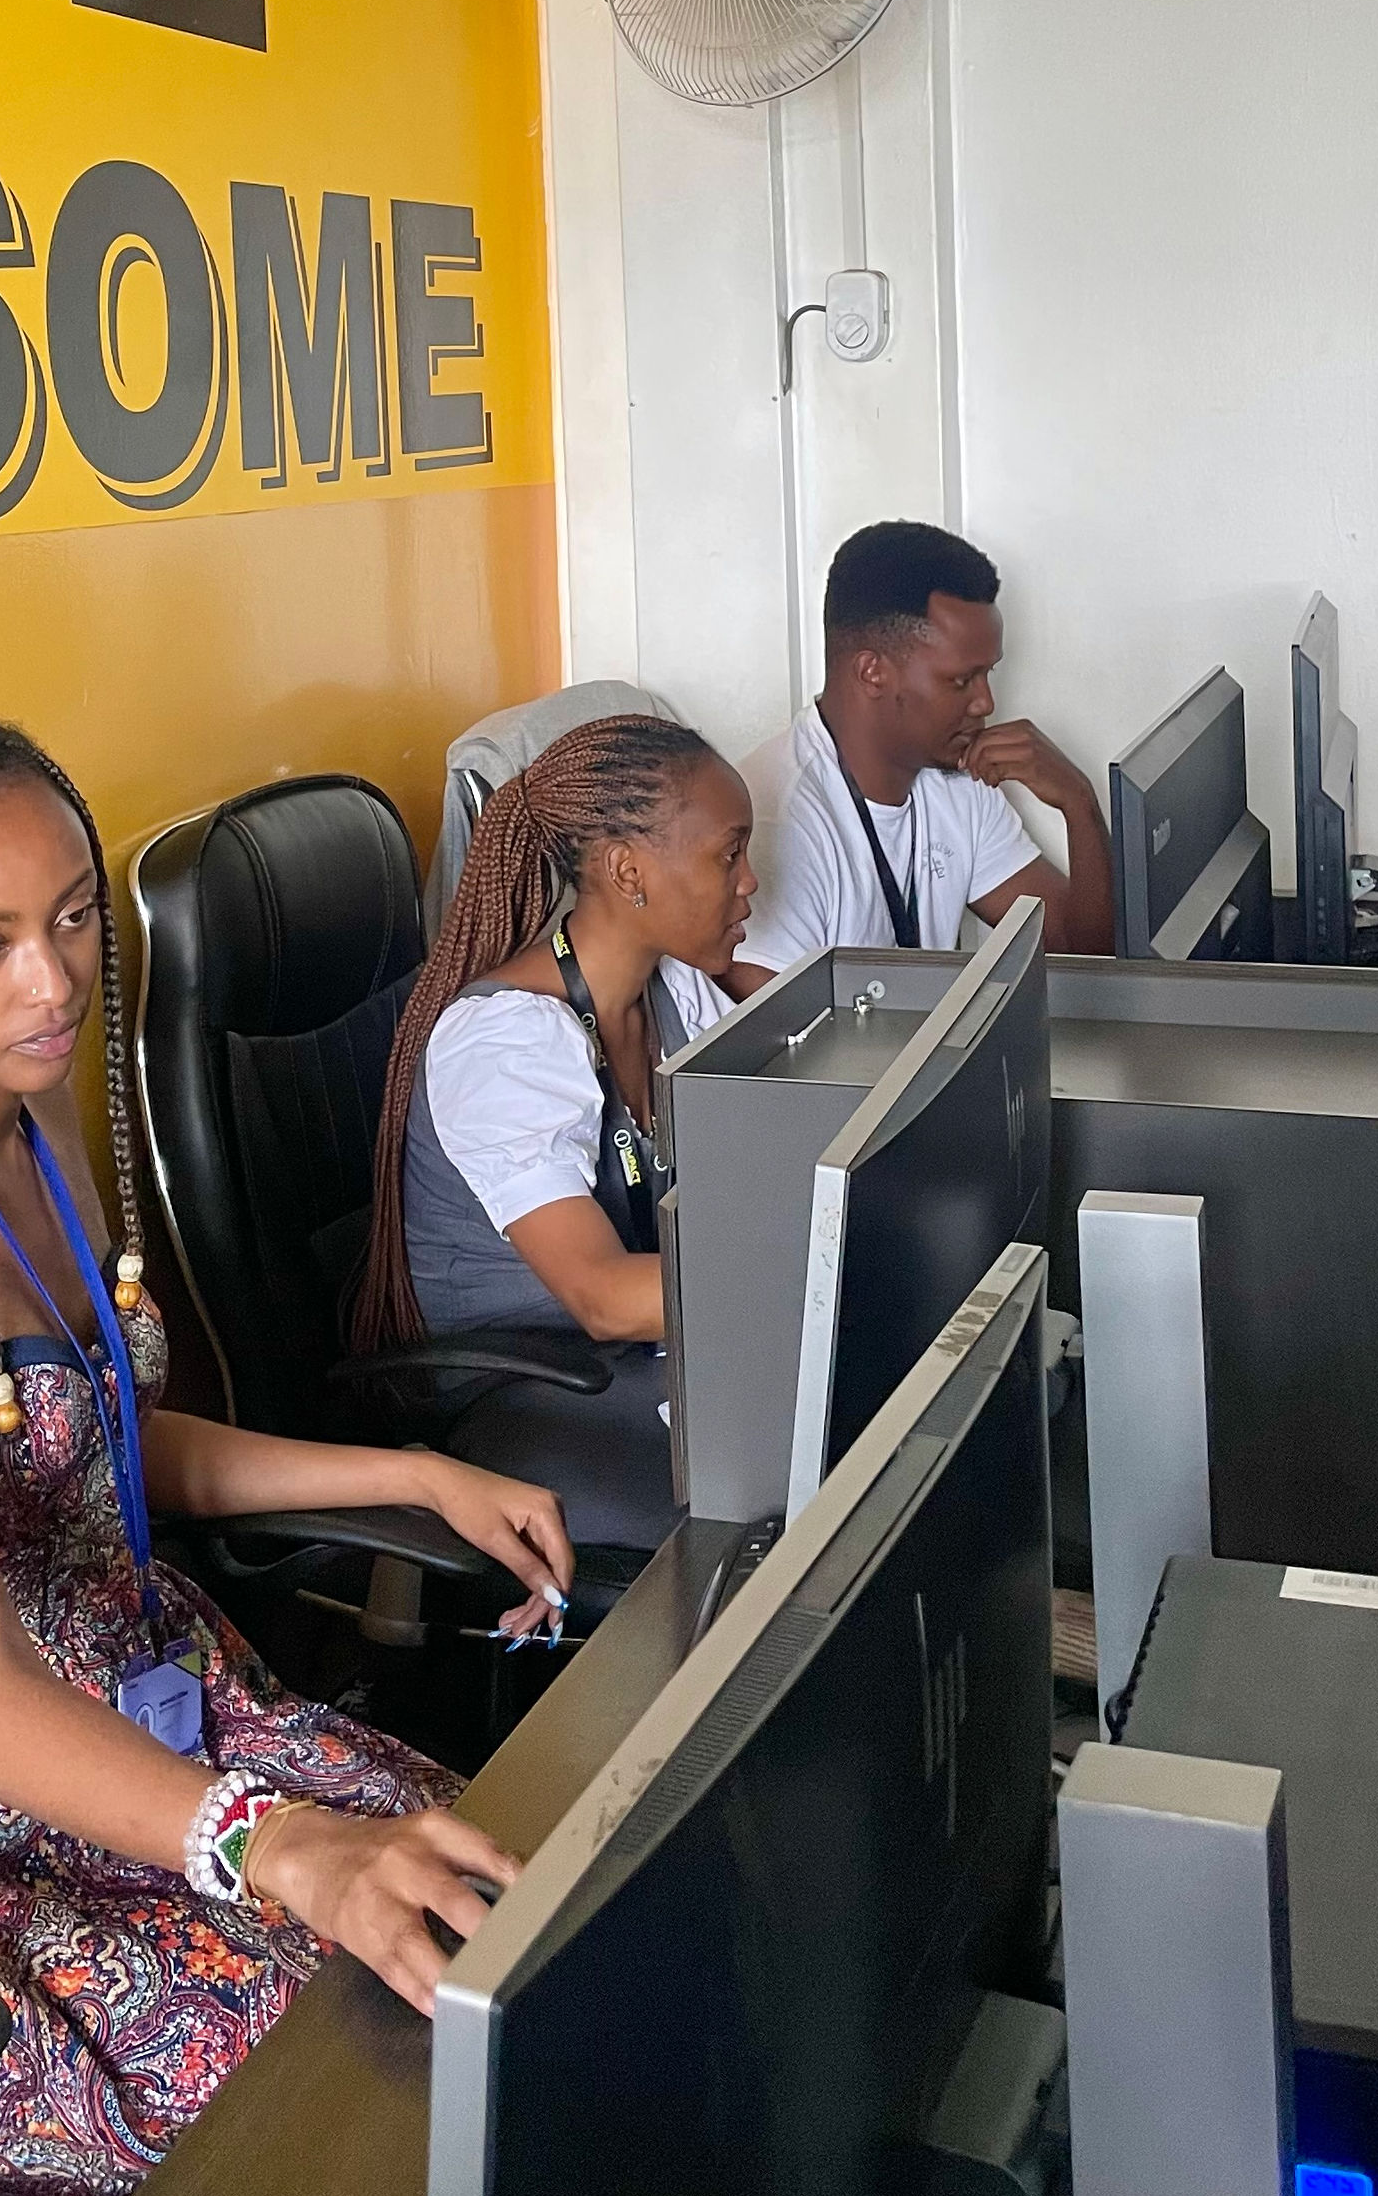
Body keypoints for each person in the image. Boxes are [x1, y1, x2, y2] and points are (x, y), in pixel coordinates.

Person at [0, 704, 574, 2196]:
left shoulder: (31, 1128)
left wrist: (413, 1468)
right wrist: (281, 1846)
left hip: (139, 1696)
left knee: (508, 1901)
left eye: (69, 920)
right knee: (376, 2079)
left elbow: (94, 1442)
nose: (53, 983)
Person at [350, 713, 754, 1546]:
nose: (751, 881)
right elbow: (603, 1298)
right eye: (730, 854)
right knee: (776, 1506)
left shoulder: (677, 992)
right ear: (627, 870)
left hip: (631, 1364)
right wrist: (817, 1275)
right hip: (522, 1387)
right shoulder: (508, 1043)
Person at [739, 520, 1115, 970]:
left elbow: (1083, 957)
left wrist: (1080, 804)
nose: (986, 702)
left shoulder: (957, 775)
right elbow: (787, 1034)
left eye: (988, 674)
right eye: (961, 680)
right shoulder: (773, 827)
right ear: (872, 673)